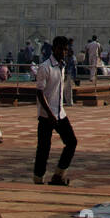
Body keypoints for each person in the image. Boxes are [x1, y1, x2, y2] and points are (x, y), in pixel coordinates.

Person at [34, 36, 77, 185]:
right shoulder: (45, 67)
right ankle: (38, 179)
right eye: (60, 49)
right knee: (44, 149)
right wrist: (50, 113)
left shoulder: (61, 66)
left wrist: (57, 113)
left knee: (71, 142)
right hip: (47, 115)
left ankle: (58, 175)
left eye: (65, 49)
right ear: (53, 49)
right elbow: (39, 92)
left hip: (60, 113)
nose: (62, 52)